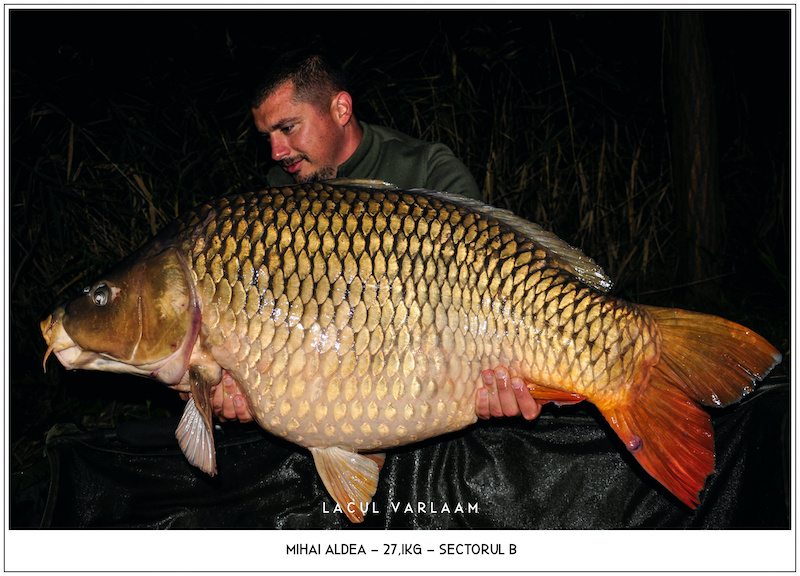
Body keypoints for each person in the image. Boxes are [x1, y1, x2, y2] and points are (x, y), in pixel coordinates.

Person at [199, 49, 540, 424]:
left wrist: (501, 382)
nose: (277, 152)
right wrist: (254, 393)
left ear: (341, 110)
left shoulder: (429, 171)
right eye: (267, 137)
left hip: (437, 376)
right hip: (353, 401)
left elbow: (494, 292)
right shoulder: (279, 200)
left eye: (288, 128)